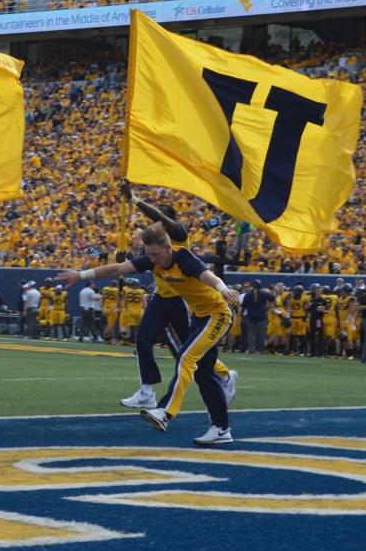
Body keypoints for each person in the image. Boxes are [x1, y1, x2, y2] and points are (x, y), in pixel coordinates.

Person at [55, 222, 242, 446]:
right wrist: (81, 274)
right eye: (149, 255)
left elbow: (209, 276)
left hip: (217, 314)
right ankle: (221, 429)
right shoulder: (152, 260)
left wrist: (223, 289)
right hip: (200, 317)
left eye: (155, 254)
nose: (152, 260)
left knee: (186, 358)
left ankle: (165, 411)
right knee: (203, 374)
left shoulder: (185, 259)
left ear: (167, 247)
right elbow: (116, 269)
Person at [117, 191, 236, 411]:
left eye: (159, 219)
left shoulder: (178, 237)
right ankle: (146, 391)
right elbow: (145, 263)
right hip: (161, 298)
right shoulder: (155, 245)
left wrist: (134, 200)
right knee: (144, 340)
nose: (155, 224)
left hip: (180, 298)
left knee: (185, 350)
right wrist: (127, 262)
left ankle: (224, 374)